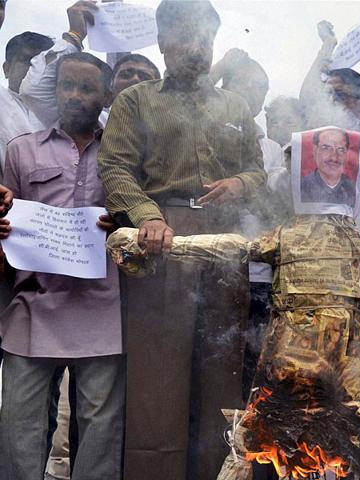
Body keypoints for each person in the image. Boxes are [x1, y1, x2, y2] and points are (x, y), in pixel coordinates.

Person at [97, 1, 265, 478]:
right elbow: (115, 167)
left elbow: (257, 169)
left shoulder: (235, 106)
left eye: (206, 38)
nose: (197, 48)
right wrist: (147, 216)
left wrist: (242, 184)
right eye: (185, 37)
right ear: (164, 41)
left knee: (222, 368)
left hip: (226, 242)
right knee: (158, 374)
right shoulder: (136, 101)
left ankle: (221, 472)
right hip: (160, 241)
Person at [0, 51, 124, 480]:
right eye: (66, 85)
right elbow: (7, 218)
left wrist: (121, 222)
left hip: (103, 307)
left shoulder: (123, 156)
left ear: (106, 95)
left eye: (86, 88)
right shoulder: (21, 151)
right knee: (20, 425)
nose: (74, 96)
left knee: (100, 429)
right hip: (34, 306)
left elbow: (140, 213)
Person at [20, 1, 160, 128]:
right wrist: (75, 34)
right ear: (109, 94)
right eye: (126, 74)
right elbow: (33, 92)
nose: (135, 79)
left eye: (144, 76)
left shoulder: (170, 129)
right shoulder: (95, 123)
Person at [0, 32, 53, 168]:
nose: (35, 69)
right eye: (28, 61)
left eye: (43, 63)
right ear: (7, 69)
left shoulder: (64, 113)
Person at [301, 128, 355, 206]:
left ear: (347, 154)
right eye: (326, 148)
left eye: (340, 150)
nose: (334, 158)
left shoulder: (353, 189)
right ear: (315, 150)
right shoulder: (302, 187)